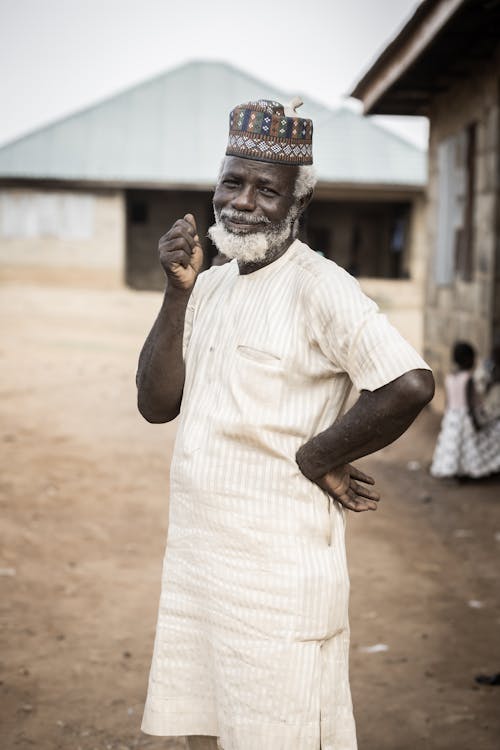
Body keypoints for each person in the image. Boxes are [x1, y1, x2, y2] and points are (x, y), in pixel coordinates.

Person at [137, 98, 434, 750]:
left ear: (298, 202)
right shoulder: (208, 285)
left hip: (275, 573)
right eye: (231, 183)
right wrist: (176, 293)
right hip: (200, 563)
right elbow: (157, 404)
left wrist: (317, 455)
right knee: (206, 723)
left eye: (265, 190)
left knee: (280, 730)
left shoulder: (319, 286)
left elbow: (408, 383)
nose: (242, 202)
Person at [430, 341, 500, 479]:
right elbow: (470, 406)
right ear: (468, 360)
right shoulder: (468, 379)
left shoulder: (449, 377)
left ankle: (456, 470)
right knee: (470, 446)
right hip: (466, 419)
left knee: (454, 447)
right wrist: (476, 423)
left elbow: (448, 403)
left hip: (452, 418)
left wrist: (448, 419)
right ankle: (474, 469)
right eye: (473, 358)